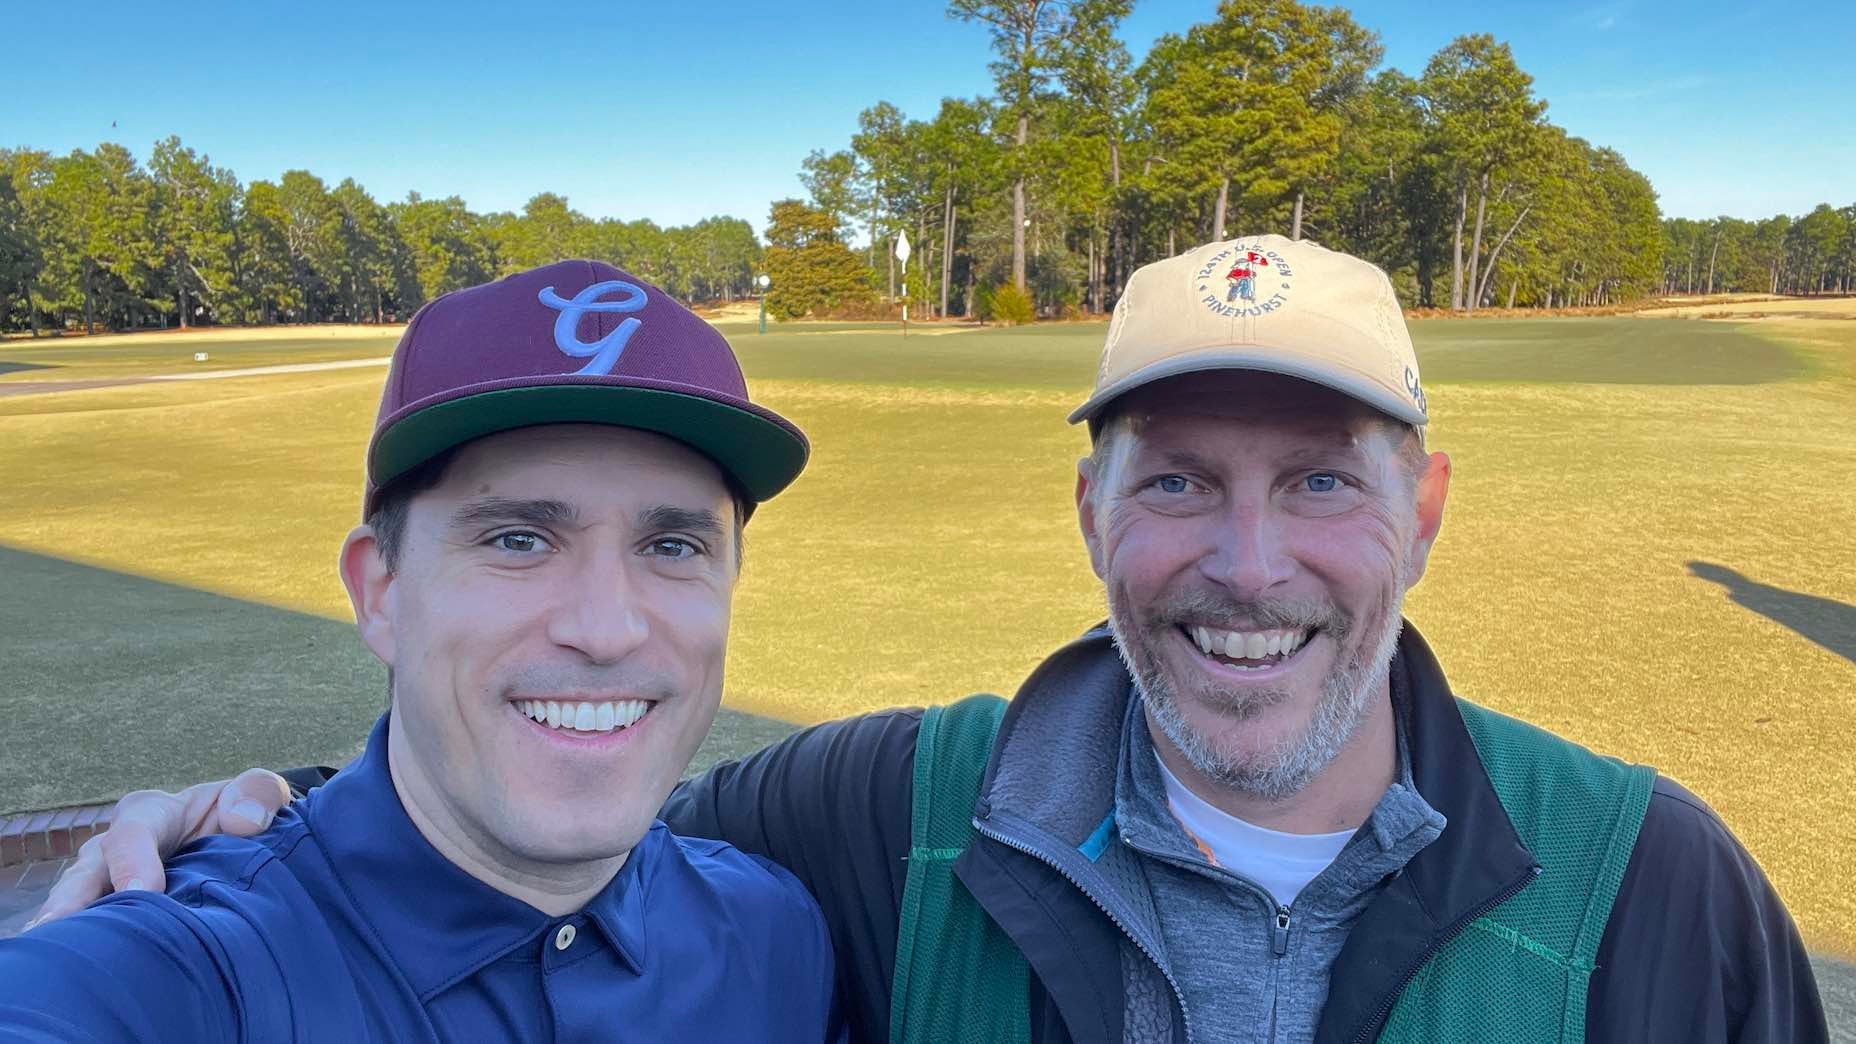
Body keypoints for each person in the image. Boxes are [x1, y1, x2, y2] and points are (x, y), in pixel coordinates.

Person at [34, 237, 1825, 1043]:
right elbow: (504, 804)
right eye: (1179, 479)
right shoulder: (872, 818)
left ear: (1424, 511)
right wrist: (239, 821)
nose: (1250, 560)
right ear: (1092, 521)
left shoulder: (1649, 881)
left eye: (1323, 484)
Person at [1, 260, 841, 1042]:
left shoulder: (774, 932)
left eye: (672, 547)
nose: (606, 627)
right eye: (519, 539)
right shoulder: (187, 971)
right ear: (381, 594)